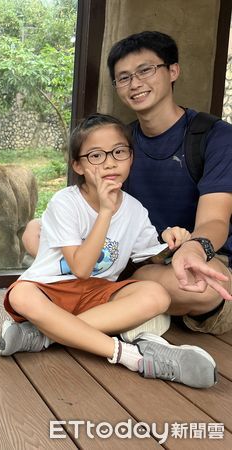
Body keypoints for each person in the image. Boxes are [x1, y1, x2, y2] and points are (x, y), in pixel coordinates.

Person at [0, 113, 217, 390]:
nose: (110, 162)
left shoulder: (135, 209)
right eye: (96, 156)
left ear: (130, 157)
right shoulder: (65, 202)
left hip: (96, 293)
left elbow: (151, 255)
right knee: (21, 294)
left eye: (119, 152)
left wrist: (174, 241)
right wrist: (105, 211)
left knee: (157, 295)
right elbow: (80, 268)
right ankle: (134, 357)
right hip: (49, 290)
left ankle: (45, 335)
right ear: (77, 165)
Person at [106, 31, 232, 335]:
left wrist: (194, 249)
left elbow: (215, 219)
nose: (135, 83)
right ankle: (140, 308)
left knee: (203, 286)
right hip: (141, 260)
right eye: (123, 78)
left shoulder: (215, 136)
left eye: (145, 70)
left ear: (172, 70)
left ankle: (123, 306)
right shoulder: (119, 144)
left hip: (204, 256)